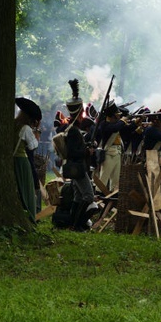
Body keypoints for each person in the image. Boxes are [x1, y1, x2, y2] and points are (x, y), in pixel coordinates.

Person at [62, 79, 96, 231]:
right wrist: (87, 151)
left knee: (77, 197)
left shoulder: (73, 129)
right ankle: (78, 224)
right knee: (88, 196)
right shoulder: (74, 131)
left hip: (76, 167)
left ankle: (72, 223)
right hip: (78, 167)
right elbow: (73, 152)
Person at [14, 97, 42, 224]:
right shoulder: (26, 128)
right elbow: (33, 146)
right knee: (27, 189)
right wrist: (36, 131)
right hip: (22, 161)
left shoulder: (13, 124)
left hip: (13, 160)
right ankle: (30, 215)